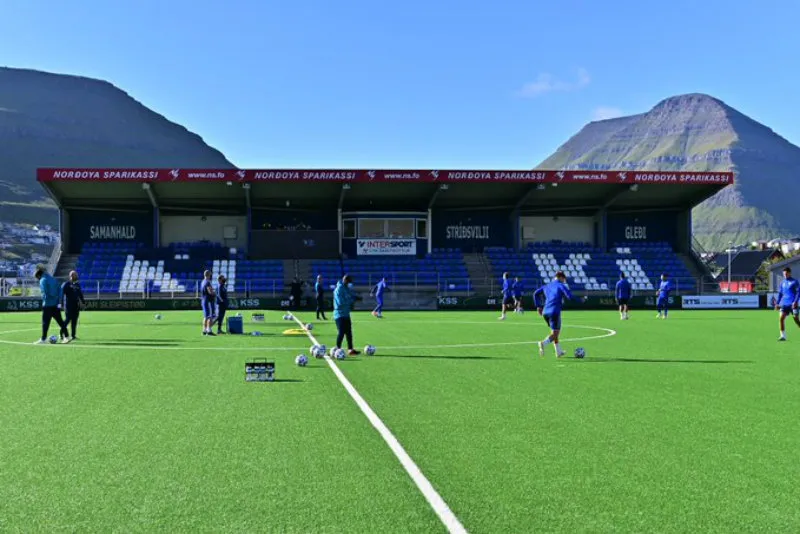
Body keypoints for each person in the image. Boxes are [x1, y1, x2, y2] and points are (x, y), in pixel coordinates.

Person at [534, 271, 586, 357]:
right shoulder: (561, 285)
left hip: (545, 312)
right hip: (554, 311)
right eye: (564, 279)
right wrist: (580, 300)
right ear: (561, 277)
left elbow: (535, 294)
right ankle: (543, 343)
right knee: (555, 334)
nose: (564, 281)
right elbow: (569, 297)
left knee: (554, 332)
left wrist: (538, 306)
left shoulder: (547, 285)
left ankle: (558, 351)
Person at [34, 267, 69, 344]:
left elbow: (45, 292)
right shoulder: (53, 279)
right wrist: (59, 302)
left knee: (45, 322)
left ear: (39, 276)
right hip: (56, 304)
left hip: (47, 305)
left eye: (37, 278)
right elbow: (60, 290)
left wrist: (46, 299)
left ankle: (43, 339)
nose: (38, 279)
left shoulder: (42, 280)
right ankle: (66, 337)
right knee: (60, 321)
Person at [333, 274, 360, 355]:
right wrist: (351, 301)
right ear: (345, 281)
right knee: (341, 332)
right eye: (348, 282)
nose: (349, 284)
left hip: (346, 314)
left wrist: (356, 297)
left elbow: (350, 296)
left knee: (349, 332)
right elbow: (340, 303)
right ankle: (337, 349)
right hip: (339, 314)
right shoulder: (339, 289)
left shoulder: (346, 288)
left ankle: (350, 349)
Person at [775, 267, 800, 341]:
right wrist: (777, 303)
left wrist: (795, 301)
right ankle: (783, 336)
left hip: (793, 304)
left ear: (789, 273)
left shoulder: (795, 282)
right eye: (784, 274)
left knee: (796, 320)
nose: (785, 275)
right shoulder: (782, 283)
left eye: (786, 274)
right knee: (781, 319)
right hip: (784, 304)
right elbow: (780, 294)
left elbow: (798, 292)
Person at [61, 270, 86, 340]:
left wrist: (83, 303)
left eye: (76, 274)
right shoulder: (66, 284)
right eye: (75, 275)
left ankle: (73, 335)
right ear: (71, 276)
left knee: (74, 321)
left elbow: (80, 295)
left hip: (76, 306)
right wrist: (61, 304)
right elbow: (61, 294)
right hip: (68, 306)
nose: (77, 276)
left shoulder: (77, 285)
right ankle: (61, 333)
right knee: (67, 320)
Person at [200, 270, 216, 336]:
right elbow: (210, 292)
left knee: (206, 316)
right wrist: (215, 293)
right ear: (209, 275)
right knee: (210, 316)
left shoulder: (202, 282)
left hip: (204, 300)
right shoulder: (207, 282)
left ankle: (204, 330)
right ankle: (209, 330)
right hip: (208, 301)